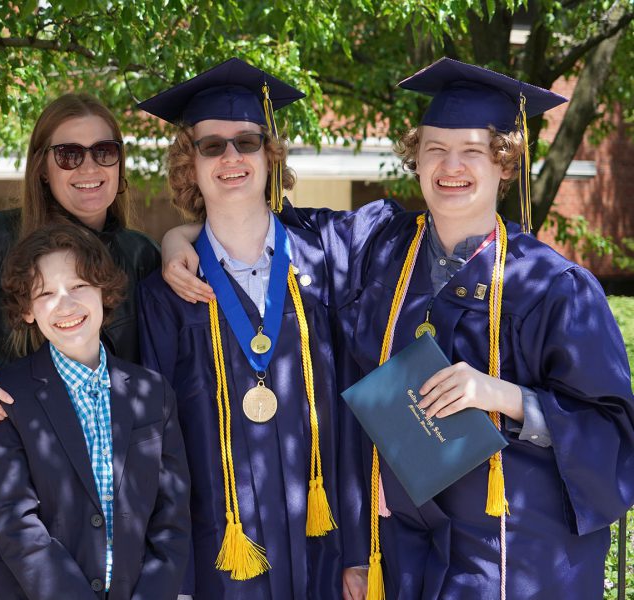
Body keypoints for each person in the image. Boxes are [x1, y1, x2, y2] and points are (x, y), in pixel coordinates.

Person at [335, 58, 634, 599]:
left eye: (472, 150)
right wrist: (177, 239)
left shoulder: (554, 287)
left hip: (515, 563)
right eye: (434, 149)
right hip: (404, 555)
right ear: (416, 159)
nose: (452, 166)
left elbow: (613, 434)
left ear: (504, 163)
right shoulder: (381, 256)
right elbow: (277, 231)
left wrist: (506, 396)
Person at [136, 58, 370, 600]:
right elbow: (157, 445)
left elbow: (360, 411)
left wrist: (363, 549)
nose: (231, 157)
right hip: (221, 549)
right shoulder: (165, 295)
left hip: (326, 541)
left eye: (247, 140)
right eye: (211, 146)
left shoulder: (327, 259)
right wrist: (176, 576)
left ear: (271, 154)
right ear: (187, 164)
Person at [0, 93, 161, 599]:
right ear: (42, 168)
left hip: (92, 525)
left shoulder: (139, 256)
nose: (89, 166)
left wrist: (181, 238)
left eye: (104, 151)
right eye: (69, 154)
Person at [0, 223, 191, 599]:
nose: (66, 304)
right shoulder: (8, 396)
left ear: (103, 292)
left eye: (78, 286)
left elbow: (171, 519)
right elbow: (14, 522)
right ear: (27, 310)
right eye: (45, 293)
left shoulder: (153, 393)